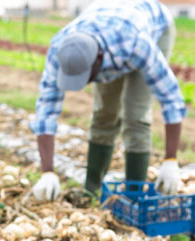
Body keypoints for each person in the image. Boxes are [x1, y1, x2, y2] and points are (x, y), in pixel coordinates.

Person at [30, 0, 185, 201]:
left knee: (135, 114)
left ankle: (134, 195)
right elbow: (46, 111)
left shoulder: (136, 43)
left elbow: (171, 98)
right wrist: (47, 171)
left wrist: (171, 159)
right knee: (104, 113)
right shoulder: (60, 50)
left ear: (99, 59)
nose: (84, 83)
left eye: (87, 76)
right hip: (108, 30)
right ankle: (91, 191)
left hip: (153, 27)